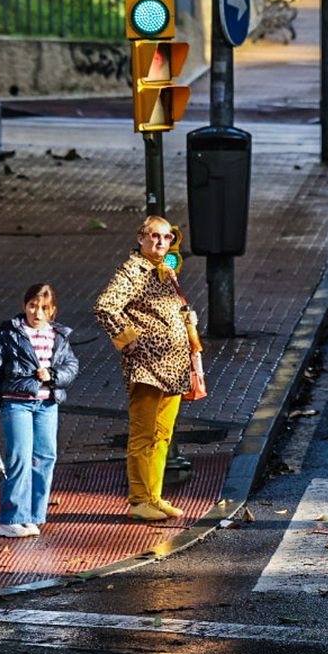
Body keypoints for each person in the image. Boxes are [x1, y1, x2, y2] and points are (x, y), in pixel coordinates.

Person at [94, 216, 197, 522]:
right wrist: (130, 342)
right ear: (141, 238)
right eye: (154, 236)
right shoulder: (133, 271)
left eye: (166, 237)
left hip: (173, 367)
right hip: (147, 369)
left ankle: (154, 496)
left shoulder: (164, 269)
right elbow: (105, 307)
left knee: (162, 435)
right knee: (143, 434)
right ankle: (139, 500)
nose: (161, 242)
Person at [0, 283, 79, 538]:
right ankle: (10, 518)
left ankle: (33, 515)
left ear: (53, 310)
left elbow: (71, 366)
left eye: (44, 308)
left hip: (47, 404)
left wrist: (53, 375)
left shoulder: (58, 336)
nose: (37, 312)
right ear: (25, 306)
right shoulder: (9, 334)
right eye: (33, 306)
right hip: (17, 402)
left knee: (45, 456)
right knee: (20, 458)